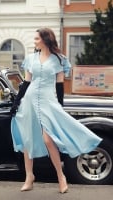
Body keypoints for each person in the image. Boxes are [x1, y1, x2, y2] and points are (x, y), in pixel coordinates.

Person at [10, 27, 102, 194]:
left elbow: (59, 85)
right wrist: (17, 102)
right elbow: (26, 83)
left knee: (48, 140)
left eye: (37, 39)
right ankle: (29, 177)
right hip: (29, 100)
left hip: (48, 101)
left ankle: (61, 176)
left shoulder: (59, 60)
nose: (35, 42)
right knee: (27, 139)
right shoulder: (31, 59)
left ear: (46, 40)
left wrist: (60, 106)